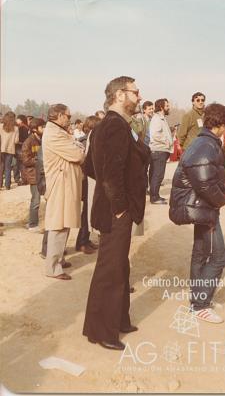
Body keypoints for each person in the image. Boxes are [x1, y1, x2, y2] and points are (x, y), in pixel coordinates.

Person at [83, 76, 150, 350]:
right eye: (135, 91)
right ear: (120, 95)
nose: (139, 95)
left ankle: (118, 320)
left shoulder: (115, 125)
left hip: (114, 207)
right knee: (110, 269)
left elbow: (89, 167)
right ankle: (102, 332)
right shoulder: (113, 126)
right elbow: (108, 174)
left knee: (119, 265)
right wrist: (121, 206)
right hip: (115, 210)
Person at [169, 103, 225, 323]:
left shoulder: (203, 141)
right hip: (204, 208)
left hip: (201, 208)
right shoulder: (207, 144)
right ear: (222, 125)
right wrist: (221, 200)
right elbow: (204, 182)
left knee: (201, 252)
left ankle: (198, 298)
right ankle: (200, 304)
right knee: (218, 257)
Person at [42, 104, 85, 280]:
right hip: (60, 185)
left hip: (66, 184)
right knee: (58, 225)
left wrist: (78, 148)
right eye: (68, 116)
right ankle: (53, 268)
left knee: (64, 223)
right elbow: (78, 155)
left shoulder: (59, 132)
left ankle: (59, 258)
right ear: (59, 116)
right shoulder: (53, 134)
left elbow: (77, 150)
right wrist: (79, 149)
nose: (70, 118)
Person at [75, 115, 100, 254]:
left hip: (89, 180)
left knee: (88, 212)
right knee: (86, 213)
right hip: (87, 181)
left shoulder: (91, 138)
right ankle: (82, 242)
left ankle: (85, 239)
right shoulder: (85, 140)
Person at [21, 118, 45, 232]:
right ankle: (32, 224)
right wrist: (39, 161)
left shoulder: (43, 140)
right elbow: (25, 160)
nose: (44, 129)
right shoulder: (28, 142)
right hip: (33, 175)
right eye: (42, 127)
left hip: (42, 174)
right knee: (36, 200)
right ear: (35, 129)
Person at [149, 98, 173, 204]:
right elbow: (155, 134)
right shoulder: (157, 119)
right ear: (162, 107)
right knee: (158, 175)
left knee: (157, 174)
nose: (169, 108)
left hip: (160, 150)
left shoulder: (161, 118)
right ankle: (154, 198)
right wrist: (167, 141)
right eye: (167, 106)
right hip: (159, 150)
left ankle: (155, 195)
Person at [0, 111, 19, 190]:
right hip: (10, 150)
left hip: (1, 149)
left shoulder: (0, 126)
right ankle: (7, 185)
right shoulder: (16, 128)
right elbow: (16, 141)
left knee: (1, 167)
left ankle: (0, 185)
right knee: (8, 168)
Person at [14, 114, 29, 185]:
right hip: (22, 147)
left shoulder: (22, 128)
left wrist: (17, 142)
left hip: (20, 148)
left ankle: (24, 180)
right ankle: (24, 179)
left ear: (21, 120)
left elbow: (23, 139)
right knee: (21, 164)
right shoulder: (25, 127)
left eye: (18, 119)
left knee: (21, 164)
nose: (16, 120)